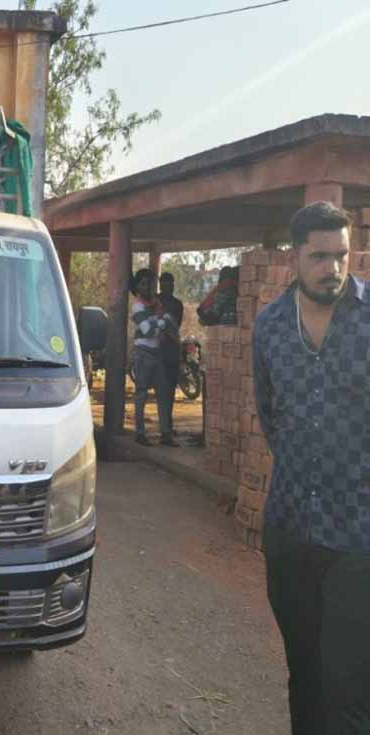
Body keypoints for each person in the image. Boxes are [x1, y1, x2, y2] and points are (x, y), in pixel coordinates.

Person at [253, 201, 370, 735]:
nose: (333, 268)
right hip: (291, 529)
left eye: (341, 255)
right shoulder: (270, 327)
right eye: (319, 257)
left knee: (349, 686)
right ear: (294, 258)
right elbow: (270, 414)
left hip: (358, 536)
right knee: (304, 674)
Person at [130, 268, 177, 447]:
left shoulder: (155, 303)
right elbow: (149, 331)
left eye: (150, 283)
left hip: (156, 352)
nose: (148, 287)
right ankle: (140, 434)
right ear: (137, 286)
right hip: (143, 353)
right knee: (141, 394)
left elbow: (155, 328)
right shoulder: (137, 306)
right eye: (144, 283)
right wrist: (163, 322)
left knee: (162, 395)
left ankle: (165, 434)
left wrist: (159, 324)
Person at [158, 272, 184, 435]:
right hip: (160, 351)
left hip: (171, 350)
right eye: (166, 283)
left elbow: (176, 326)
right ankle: (165, 426)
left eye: (171, 283)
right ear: (161, 285)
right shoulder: (155, 301)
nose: (169, 286)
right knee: (163, 390)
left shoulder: (177, 304)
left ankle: (167, 424)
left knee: (170, 390)